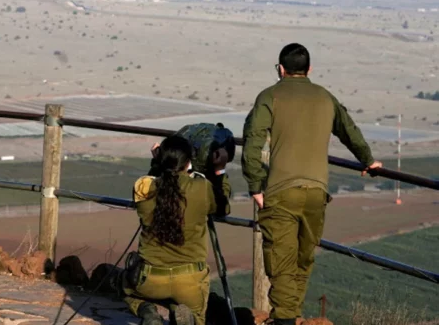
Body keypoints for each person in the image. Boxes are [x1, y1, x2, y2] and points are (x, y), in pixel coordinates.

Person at [242, 43, 383, 325]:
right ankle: (291, 316)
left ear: (280, 70)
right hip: (317, 193)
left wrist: (256, 186)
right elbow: (349, 131)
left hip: (281, 192)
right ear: (309, 69)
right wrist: (367, 160)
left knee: (280, 261)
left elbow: (252, 144)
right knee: (303, 260)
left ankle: (283, 319)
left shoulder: (270, 96)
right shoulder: (325, 98)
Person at [123, 136, 230, 325]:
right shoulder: (201, 188)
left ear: (161, 158)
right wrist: (219, 169)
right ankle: (184, 315)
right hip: (190, 281)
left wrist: (157, 163)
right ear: (188, 162)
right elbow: (223, 207)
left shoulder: (144, 187)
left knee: (126, 287)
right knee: (195, 316)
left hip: (150, 279)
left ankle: (148, 312)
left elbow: (153, 182)